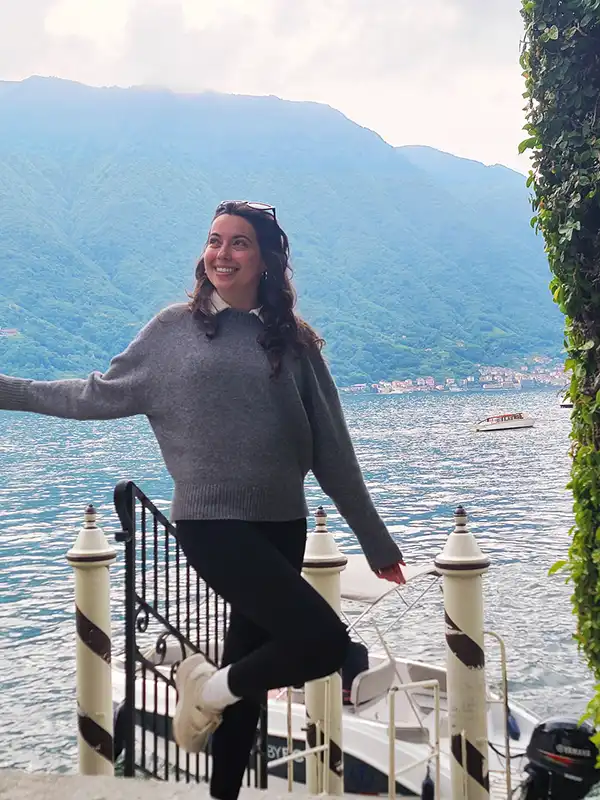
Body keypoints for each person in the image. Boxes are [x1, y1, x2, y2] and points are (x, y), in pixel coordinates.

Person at [0, 200, 405, 800]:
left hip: (283, 522)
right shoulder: (172, 332)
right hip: (211, 523)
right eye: (214, 241)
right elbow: (93, 395)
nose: (221, 253)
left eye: (238, 243)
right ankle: (206, 688)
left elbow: (333, 453)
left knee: (248, 665)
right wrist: (8, 391)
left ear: (266, 259)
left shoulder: (293, 343)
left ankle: (223, 782)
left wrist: (375, 539)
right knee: (322, 643)